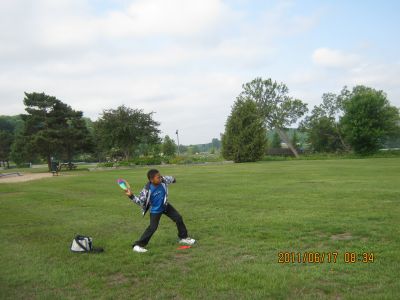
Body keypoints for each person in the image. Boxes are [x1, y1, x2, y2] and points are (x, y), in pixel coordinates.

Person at [125, 169, 196, 253]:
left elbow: (172, 179)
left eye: (160, 176)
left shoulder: (163, 180)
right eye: (158, 177)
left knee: (178, 218)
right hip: (155, 210)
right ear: (151, 180)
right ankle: (138, 245)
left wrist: (173, 179)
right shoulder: (146, 190)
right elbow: (140, 202)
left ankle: (183, 238)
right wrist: (131, 196)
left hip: (165, 206)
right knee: (153, 228)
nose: (160, 178)